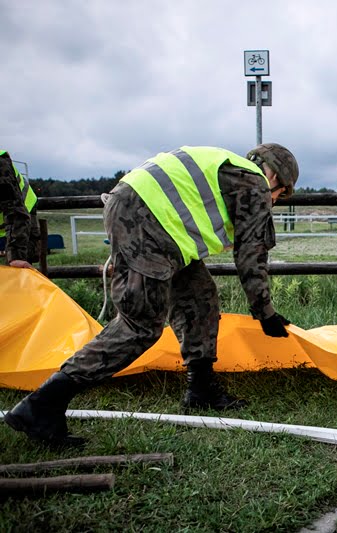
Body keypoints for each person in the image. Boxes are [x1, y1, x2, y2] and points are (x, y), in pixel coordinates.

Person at [5, 144, 299, 446]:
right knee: (140, 326)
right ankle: (42, 405)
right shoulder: (255, 183)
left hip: (150, 218)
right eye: (282, 194)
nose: (275, 201)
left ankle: (201, 389)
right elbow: (251, 255)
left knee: (200, 297)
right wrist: (265, 313)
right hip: (147, 222)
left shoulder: (230, 166)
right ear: (274, 175)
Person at [0, 149, 40, 268]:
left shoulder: (1, 166)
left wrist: (16, 256)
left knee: (18, 270)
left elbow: (15, 212)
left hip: (21, 218)